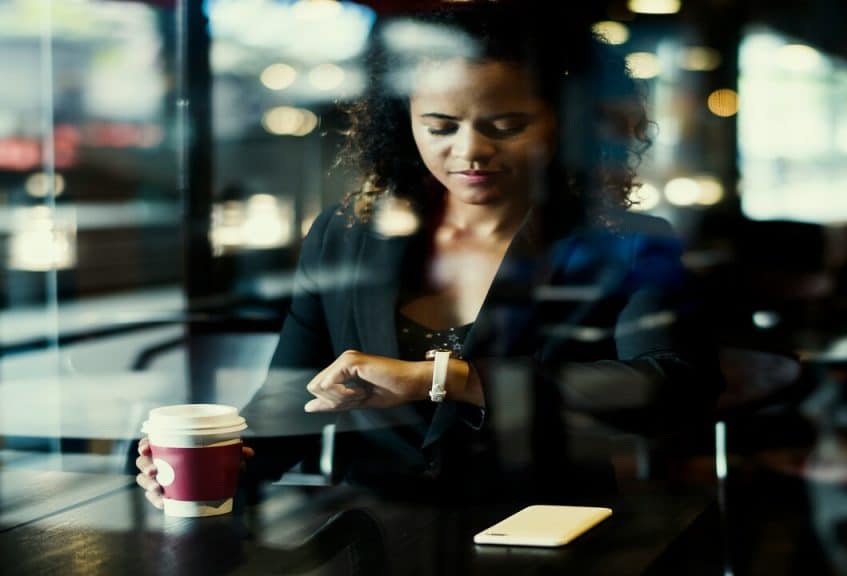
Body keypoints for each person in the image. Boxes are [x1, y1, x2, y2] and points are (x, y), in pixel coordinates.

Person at [137, 1, 722, 507]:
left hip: (554, 530)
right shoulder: (348, 233)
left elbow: (670, 386)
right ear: (403, 122)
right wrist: (231, 458)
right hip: (375, 531)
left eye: (506, 125)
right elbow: (294, 397)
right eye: (440, 126)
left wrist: (448, 379)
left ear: (566, 123)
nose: (470, 151)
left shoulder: (627, 243)